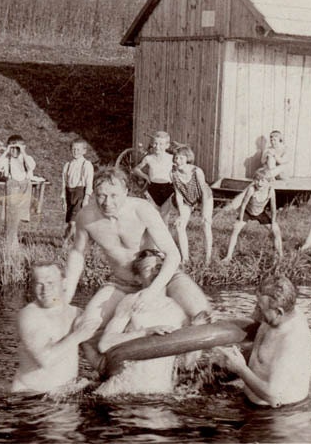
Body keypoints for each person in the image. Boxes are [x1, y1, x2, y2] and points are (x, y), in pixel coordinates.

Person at [64, 167, 212, 359]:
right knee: (84, 326)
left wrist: (151, 292)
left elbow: (173, 255)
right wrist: (67, 294)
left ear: (126, 191)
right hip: (122, 283)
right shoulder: (86, 218)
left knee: (201, 314)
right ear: (94, 194)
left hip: (161, 276)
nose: (108, 202)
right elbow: (78, 254)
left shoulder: (142, 210)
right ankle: (106, 368)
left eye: (114, 195)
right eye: (101, 196)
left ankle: (196, 366)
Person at [96, 249, 188, 395]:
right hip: (126, 391)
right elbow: (105, 344)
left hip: (163, 392)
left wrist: (199, 326)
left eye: (159, 267)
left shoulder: (178, 308)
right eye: (148, 269)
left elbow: (188, 363)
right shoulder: (131, 302)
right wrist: (145, 332)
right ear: (138, 278)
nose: (155, 272)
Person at [214, 274, 311, 407]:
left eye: (260, 309)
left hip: (277, 413)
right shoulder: (279, 315)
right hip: (252, 402)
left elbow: (274, 398)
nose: (256, 312)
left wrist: (240, 369)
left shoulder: (292, 341)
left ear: (279, 312)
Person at [12, 263, 101, 394]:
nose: (45, 290)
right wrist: (78, 336)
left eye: (50, 283)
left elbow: (95, 354)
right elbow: (45, 359)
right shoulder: (29, 315)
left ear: (64, 283)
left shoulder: (77, 314)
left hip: (65, 394)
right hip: (30, 396)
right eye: (39, 284)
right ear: (32, 285)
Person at [222, 167, 283, 261]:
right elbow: (243, 204)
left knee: (276, 230)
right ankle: (228, 256)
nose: (259, 183)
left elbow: (273, 208)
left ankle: (279, 255)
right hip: (248, 212)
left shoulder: (270, 191)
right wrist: (241, 219)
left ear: (268, 182)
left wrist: (273, 221)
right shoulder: (251, 189)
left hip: (260, 213)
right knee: (235, 229)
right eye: (257, 180)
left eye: (263, 181)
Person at [170, 144, 214, 265]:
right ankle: (185, 259)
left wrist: (204, 212)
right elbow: (178, 194)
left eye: (181, 158)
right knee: (180, 226)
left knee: (206, 223)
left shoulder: (197, 171)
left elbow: (204, 192)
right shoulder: (173, 173)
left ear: (188, 158)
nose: (178, 161)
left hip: (203, 197)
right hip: (186, 199)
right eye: (176, 158)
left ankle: (208, 258)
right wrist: (180, 215)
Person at [0, 135, 36, 250]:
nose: (14, 151)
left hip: (25, 187)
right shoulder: (7, 159)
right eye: (12, 148)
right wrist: (6, 151)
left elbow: (31, 166)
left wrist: (23, 151)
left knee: (21, 215)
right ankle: (11, 242)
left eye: (17, 148)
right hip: (12, 186)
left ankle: (16, 238)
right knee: (11, 214)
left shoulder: (26, 158)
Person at [132, 131, 175, 219]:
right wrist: (146, 176)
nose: (157, 147)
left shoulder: (171, 158)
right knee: (153, 218)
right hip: (153, 189)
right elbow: (136, 169)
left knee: (164, 218)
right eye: (155, 143)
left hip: (167, 189)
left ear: (167, 145)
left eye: (161, 144)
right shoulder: (148, 158)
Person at [61, 139, 94, 244]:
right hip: (69, 194)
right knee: (71, 222)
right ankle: (74, 240)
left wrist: (86, 198)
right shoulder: (67, 165)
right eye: (73, 149)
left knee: (73, 222)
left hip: (80, 194)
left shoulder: (86, 164)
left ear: (84, 151)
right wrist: (63, 199)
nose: (75, 152)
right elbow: (64, 183)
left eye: (78, 150)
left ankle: (65, 242)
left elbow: (89, 183)